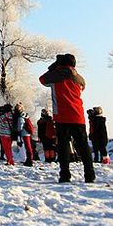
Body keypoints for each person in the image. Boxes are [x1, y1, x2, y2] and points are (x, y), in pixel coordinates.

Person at [39, 54, 95, 184]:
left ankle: (65, 175)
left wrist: (52, 67)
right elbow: (83, 86)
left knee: (63, 147)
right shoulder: (79, 78)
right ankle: (90, 174)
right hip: (78, 116)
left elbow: (42, 79)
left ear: (60, 64)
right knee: (83, 146)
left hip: (62, 116)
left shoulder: (56, 75)